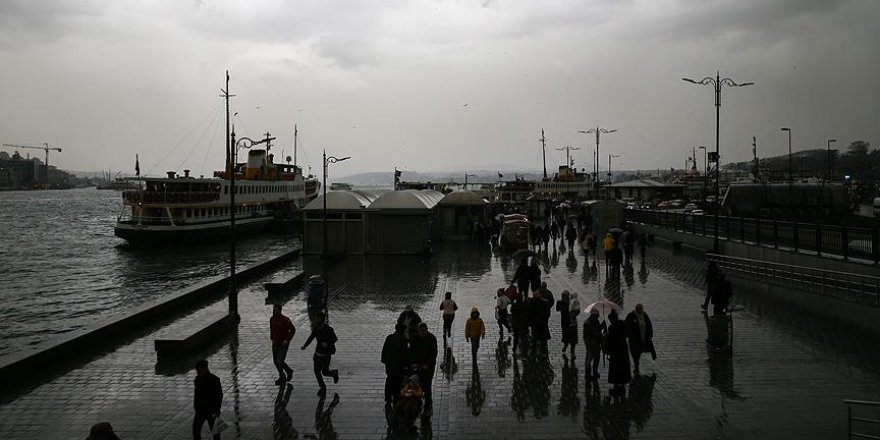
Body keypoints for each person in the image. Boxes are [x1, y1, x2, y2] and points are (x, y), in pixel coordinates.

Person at [301, 313, 339, 396]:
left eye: (317, 319)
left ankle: (334, 373)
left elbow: (335, 339)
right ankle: (322, 387)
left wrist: (327, 343)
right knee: (317, 371)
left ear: (321, 320)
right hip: (317, 354)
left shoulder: (328, 329)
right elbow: (311, 337)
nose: (315, 320)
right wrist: (305, 346)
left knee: (325, 372)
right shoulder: (316, 329)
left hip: (326, 355)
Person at [193, 359, 222, 440]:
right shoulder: (198, 379)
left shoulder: (214, 380)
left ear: (205, 369)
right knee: (196, 430)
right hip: (201, 410)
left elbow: (219, 396)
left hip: (211, 410)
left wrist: (217, 409)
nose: (198, 372)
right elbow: (197, 395)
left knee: (215, 431)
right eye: (197, 371)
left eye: (199, 370)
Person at [410, 322, 439, 407]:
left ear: (426, 330)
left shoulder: (432, 338)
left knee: (427, 384)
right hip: (417, 364)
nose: (422, 332)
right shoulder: (414, 338)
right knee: (413, 381)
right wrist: (412, 363)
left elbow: (433, 353)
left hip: (428, 366)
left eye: (423, 331)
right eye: (420, 331)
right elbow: (411, 351)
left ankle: (428, 403)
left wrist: (428, 365)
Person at [381, 323, 410, 404]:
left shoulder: (389, 337)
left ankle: (388, 399)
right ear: (402, 331)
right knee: (398, 383)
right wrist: (407, 366)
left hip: (390, 366)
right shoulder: (403, 340)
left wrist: (385, 361)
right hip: (399, 367)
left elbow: (384, 351)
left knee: (389, 381)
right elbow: (405, 354)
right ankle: (395, 398)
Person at [625, 304, 656, 375]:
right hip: (634, 340)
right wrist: (629, 334)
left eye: (640, 308)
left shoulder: (644, 315)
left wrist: (650, 334)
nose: (639, 310)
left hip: (642, 338)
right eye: (638, 308)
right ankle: (636, 367)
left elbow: (649, 324)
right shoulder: (631, 316)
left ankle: (636, 367)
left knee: (638, 353)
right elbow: (627, 325)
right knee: (635, 353)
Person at [604, 310, 631, 394]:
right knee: (623, 367)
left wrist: (605, 335)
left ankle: (616, 387)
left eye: (610, 319)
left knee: (615, 368)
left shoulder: (611, 328)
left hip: (615, 351)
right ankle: (622, 386)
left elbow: (610, 340)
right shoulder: (622, 324)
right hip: (623, 349)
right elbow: (627, 333)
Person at [269, 304, 296, 385]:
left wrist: (287, 340)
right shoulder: (272, 319)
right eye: (274, 310)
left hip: (283, 343)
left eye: (276, 310)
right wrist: (272, 338)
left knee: (280, 361)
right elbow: (271, 329)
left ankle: (289, 371)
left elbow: (292, 330)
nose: (275, 311)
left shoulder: (285, 319)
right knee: (275, 361)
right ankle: (282, 376)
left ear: (280, 310)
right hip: (275, 342)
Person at [583, 309, 606, 379]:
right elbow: (593, 333)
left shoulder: (596, 321)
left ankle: (595, 372)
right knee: (589, 361)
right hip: (591, 345)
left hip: (597, 344)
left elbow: (598, 330)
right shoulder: (587, 324)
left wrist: (602, 325)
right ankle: (588, 374)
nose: (597, 317)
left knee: (596, 359)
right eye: (597, 316)